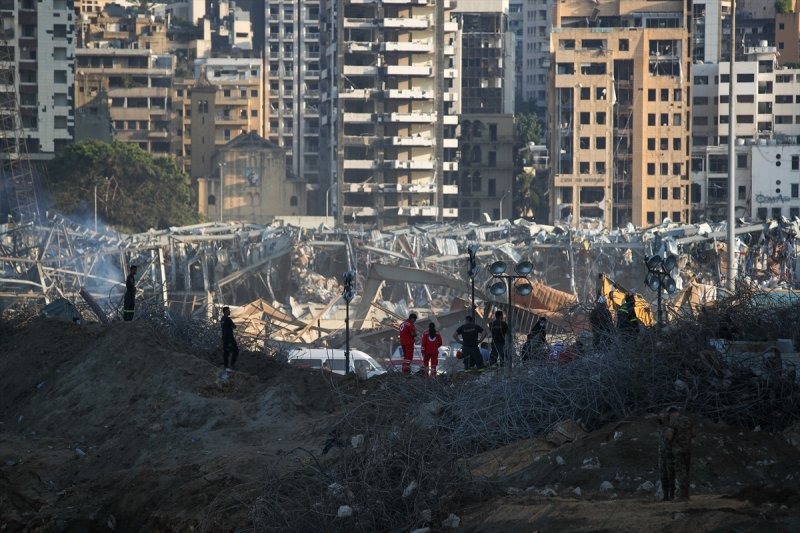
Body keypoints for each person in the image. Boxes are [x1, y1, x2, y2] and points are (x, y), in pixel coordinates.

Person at [661, 406, 694, 501]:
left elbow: (669, 437)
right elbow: (693, 434)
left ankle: (682, 496)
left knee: (680, 471)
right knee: (686, 471)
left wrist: (667, 433)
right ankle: (686, 494)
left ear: (671, 413)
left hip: (678, 449)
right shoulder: (688, 420)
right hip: (688, 448)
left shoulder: (673, 422)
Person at [221, 306, 239, 371]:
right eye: (228, 310)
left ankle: (226, 366)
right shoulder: (228, 319)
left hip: (224, 338)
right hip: (229, 338)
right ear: (226, 311)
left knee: (226, 352)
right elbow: (234, 326)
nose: (229, 311)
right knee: (236, 351)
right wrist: (234, 326)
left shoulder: (222, 319)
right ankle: (232, 365)